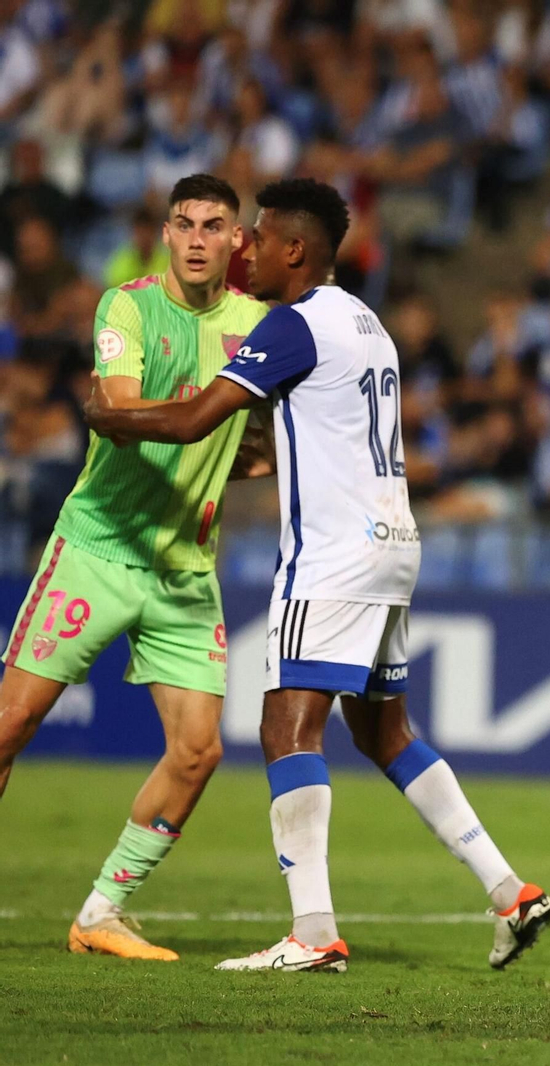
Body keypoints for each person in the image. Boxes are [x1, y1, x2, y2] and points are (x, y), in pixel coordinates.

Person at [82, 178, 550, 973]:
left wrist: (109, 416)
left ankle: (312, 932)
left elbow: (193, 419)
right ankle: (510, 891)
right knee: (385, 733)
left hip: (332, 556)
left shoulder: (293, 326)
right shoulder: (366, 321)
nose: (246, 249)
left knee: (285, 730)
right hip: (393, 543)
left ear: (295, 250)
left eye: (260, 238)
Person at [0, 174, 268, 962]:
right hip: (97, 547)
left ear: (236, 240)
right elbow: (116, 411)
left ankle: (101, 913)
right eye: (183, 223)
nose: (195, 238)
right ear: (166, 233)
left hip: (185, 569)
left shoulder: (256, 325)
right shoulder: (128, 306)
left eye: (212, 225)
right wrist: (197, 425)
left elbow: (250, 433)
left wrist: (237, 454)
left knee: (199, 752)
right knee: (10, 724)